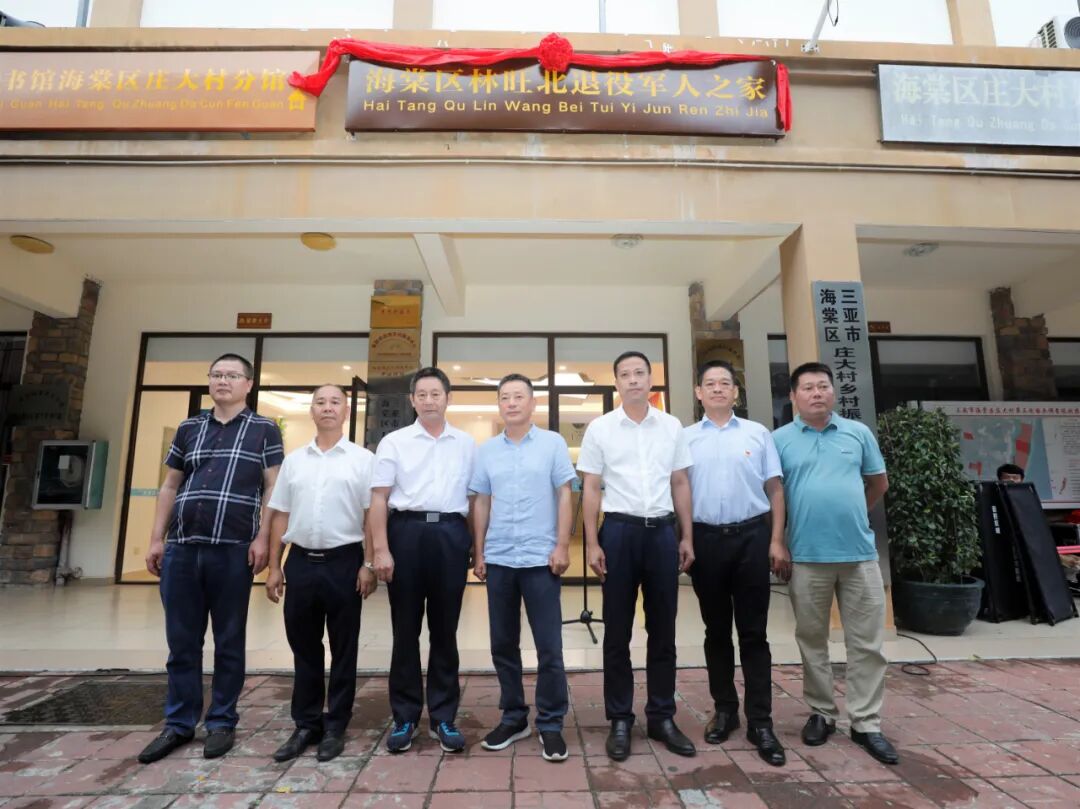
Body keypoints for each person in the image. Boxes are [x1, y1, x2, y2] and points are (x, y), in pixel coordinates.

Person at [138, 353, 283, 764]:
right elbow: (170, 485)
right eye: (217, 374)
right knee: (182, 642)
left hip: (233, 549)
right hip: (183, 547)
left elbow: (273, 488)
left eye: (232, 375)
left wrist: (263, 538)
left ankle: (221, 721)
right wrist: (156, 538)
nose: (223, 381)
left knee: (229, 640)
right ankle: (179, 723)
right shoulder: (190, 427)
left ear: (248, 384)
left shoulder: (264, 430)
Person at [772, 362, 898, 766]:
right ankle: (822, 713)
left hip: (859, 555)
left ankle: (866, 722)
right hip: (807, 556)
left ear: (833, 392)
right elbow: (774, 494)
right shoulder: (779, 440)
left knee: (867, 643)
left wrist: (855, 512)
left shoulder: (858, 433)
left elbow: (878, 483)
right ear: (793, 397)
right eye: (808, 388)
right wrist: (778, 541)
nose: (816, 393)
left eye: (823, 386)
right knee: (812, 640)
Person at [578, 351, 697, 762]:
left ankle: (662, 716)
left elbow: (680, 482)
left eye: (639, 373)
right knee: (617, 631)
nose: (632, 380)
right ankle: (620, 719)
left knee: (663, 629)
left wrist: (687, 536)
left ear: (650, 380)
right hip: (619, 533)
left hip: (662, 532)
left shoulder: (671, 426)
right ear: (616, 382)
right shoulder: (601, 428)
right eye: (625, 374)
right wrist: (592, 542)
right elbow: (591, 487)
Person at [264, 384, 378, 763]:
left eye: (335, 402)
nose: (327, 408)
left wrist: (368, 564)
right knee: (304, 647)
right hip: (300, 562)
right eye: (320, 402)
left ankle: (336, 725)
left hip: (345, 562)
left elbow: (371, 516)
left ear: (345, 411)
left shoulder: (363, 460)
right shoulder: (295, 461)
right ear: (311, 410)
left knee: (344, 648)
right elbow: (280, 514)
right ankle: (306, 723)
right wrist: (274, 566)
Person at [685, 360, 789, 767]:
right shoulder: (685, 438)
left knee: (754, 633)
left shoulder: (757, 433)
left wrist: (776, 540)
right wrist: (684, 539)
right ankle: (725, 710)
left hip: (751, 538)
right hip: (705, 539)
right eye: (709, 383)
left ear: (735, 392)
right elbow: (679, 492)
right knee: (715, 631)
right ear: (698, 392)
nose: (717, 389)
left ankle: (761, 721)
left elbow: (775, 489)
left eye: (724, 383)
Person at [369, 367, 476, 754]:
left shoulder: (466, 444)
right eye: (422, 395)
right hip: (406, 534)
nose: (429, 400)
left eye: (436, 394)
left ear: (448, 398)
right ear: (412, 400)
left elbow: (476, 500)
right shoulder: (394, 442)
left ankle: (444, 717)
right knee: (405, 630)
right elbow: (378, 498)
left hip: (450, 533)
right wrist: (381, 549)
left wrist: (475, 548)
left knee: (445, 631)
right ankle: (405, 717)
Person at [471, 373, 576, 762]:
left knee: (549, 646)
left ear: (533, 403)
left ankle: (551, 723)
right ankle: (514, 717)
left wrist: (562, 545)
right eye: (505, 397)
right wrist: (479, 552)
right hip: (500, 558)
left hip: (540, 559)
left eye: (519, 397)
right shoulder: (486, 451)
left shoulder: (552, 444)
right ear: (499, 405)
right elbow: (481, 501)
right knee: (502, 644)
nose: (511, 403)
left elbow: (565, 493)